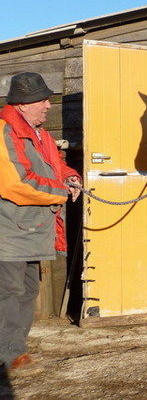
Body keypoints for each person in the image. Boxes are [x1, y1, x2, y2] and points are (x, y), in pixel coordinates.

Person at [0, 72, 81, 373]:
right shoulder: (6, 132)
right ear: (22, 105)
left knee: (27, 291)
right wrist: (61, 192)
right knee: (8, 292)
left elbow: (55, 165)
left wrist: (70, 175)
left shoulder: (39, 134)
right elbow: (14, 183)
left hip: (30, 230)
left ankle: (14, 351)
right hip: (8, 231)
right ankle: (7, 356)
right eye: (42, 100)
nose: (49, 105)